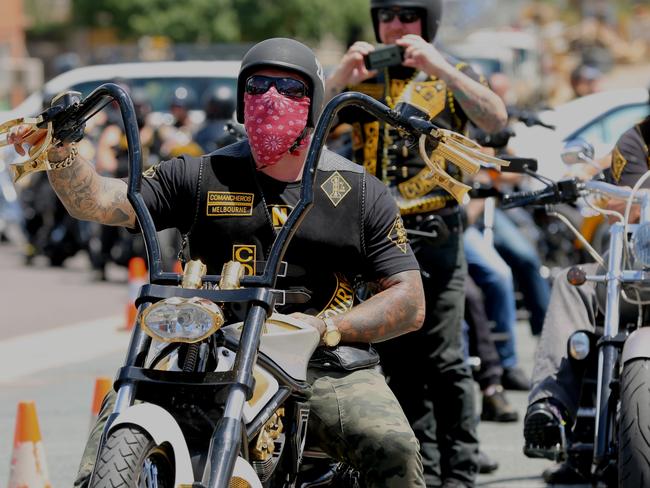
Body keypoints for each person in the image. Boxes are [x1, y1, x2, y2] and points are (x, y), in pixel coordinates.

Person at [11, 38, 427, 488]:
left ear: (314, 102)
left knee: (393, 446)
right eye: (258, 86)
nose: (270, 98)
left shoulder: (362, 192)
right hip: (204, 349)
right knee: (112, 432)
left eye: (288, 87)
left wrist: (327, 328)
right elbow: (99, 200)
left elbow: (408, 299)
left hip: (321, 360)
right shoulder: (199, 173)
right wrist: (60, 148)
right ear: (241, 99)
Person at [325, 1, 508, 486]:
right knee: (399, 364)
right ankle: (420, 470)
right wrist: (340, 73)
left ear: (426, 22)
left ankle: (461, 474)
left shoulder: (449, 74)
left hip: (437, 235)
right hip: (379, 242)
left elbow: (493, 118)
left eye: (407, 15)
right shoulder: (359, 80)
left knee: (445, 361)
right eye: (386, 15)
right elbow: (302, 128)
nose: (395, 25)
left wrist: (441, 66)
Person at [523, 115, 650, 484]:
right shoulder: (637, 140)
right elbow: (631, 209)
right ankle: (550, 408)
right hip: (640, 274)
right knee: (573, 281)